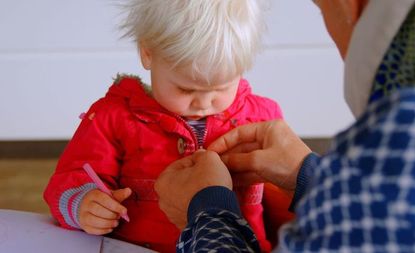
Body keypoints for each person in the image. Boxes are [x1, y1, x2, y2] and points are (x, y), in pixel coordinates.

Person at [155, 0, 415, 252]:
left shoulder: (409, 143)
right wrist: (312, 175)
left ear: (351, 6)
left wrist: (207, 213)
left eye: (320, 7)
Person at [43, 1, 280, 252]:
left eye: (222, 88)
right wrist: (83, 205)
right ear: (148, 53)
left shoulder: (263, 119)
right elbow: (68, 181)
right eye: (185, 89)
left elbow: (282, 201)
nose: (203, 102)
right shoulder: (113, 117)